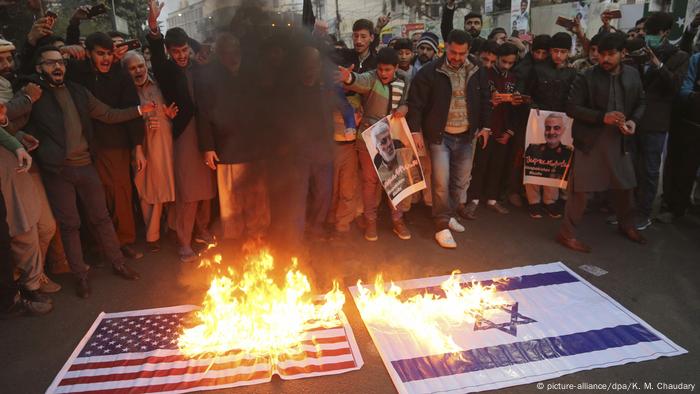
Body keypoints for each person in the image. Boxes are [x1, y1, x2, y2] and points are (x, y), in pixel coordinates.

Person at [23, 46, 151, 297]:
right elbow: (15, 120)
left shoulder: (78, 91)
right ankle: (80, 275)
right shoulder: (34, 94)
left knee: (101, 217)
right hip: (58, 170)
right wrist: (21, 135)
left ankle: (118, 263)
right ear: (39, 68)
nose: (57, 67)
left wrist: (138, 110)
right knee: (71, 225)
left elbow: (107, 113)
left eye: (60, 62)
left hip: (85, 165)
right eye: (50, 63)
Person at [558, 33, 647, 253]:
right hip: (591, 140)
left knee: (626, 185)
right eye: (601, 54)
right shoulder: (586, 76)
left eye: (610, 54)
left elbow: (641, 101)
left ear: (623, 53)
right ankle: (567, 234)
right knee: (580, 190)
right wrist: (602, 117)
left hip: (620, 140)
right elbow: (571, 107)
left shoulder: (633, 75)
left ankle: (626, 225)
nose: (604, 59)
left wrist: (634, 121)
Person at [63, 32, 145, 260]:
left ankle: (124, 241)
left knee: (120, 195)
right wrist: (72, 32)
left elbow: (133, 113)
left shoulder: (121, 77)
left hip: (116, 145)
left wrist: (138, 146)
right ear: (88, 54)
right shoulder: (79, 75)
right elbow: (53, 61)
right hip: (86, 147)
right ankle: (101, 245)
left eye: (109, 54)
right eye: (100, 54)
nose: (106, 59)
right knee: (95, 200)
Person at [407, 30, 491, 248]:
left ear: (468, 51)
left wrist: (485, 126)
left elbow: (484, 99)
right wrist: (415, 131)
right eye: (453, 52)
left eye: (461, 53)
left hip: (466, 135)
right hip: (439, 136)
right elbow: (415, 104)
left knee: (460, 181)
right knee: (441, 182)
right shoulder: (429, 72)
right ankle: (441, 225)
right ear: (446, 47)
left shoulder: (477, 69)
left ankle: (450, 213)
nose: (456, 57)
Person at [147, 0, 216, 262]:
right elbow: (155, 51)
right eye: (176, 51)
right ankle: (184, 242)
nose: (181, 55)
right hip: (184, 131)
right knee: (189, 193)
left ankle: (203, 230)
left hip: (205, 130)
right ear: (168, 51)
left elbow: (206, 53)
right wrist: (154, 28)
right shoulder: (165, 70)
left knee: (207, 189)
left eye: (185, 49)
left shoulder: (199, 66)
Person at [196, 33, 270, 242]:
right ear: (219, 54)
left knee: (258, 198)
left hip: (255, 149)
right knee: (231, 201)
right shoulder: (210, 76)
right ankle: (235, 240)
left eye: (236, 50)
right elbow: (203, 114)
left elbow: (264, 109)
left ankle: (258, 238)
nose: (233, 55)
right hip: (227, 149)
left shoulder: (251, 74)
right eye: (228, 51)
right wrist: (208, 147)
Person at [337, 47, 412, 241]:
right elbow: (358, 82)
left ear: (396, 68)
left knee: (395, 180)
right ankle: (371, 221)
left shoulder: (403, 81)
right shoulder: (371, 78)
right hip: (368, 138)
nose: (383, 73)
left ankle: (397, 220)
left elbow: (406, 102)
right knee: (369, 182)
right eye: (380, 69)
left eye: (388, 70)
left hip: (392, 137)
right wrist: (348, 78)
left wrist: (404, 108)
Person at [632, 12, 688, 230]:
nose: (649, 37)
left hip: (656, 122)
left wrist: (657, 64)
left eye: (654, 33)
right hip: (633, 118)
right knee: (631, 166)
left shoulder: (679, 56)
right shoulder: (639, 51)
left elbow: (675, 86)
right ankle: (627, 209)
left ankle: (644, 213)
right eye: (647, 32)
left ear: (665, 33)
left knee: (649, 169)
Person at [123, 51, 177, 252]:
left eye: (140, 66)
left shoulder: (158, 84)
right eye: (132, 68)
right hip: (141, 148)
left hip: (165, 145)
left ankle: (166, 230)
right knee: (145, 190)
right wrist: (143, 121)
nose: (138, 71)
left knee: (166, 188)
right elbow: (123, 118)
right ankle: (152, 234)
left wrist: (170, 115)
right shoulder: (125, 92)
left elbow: (171, 109)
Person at [464, 42, 522, 219]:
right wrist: (491, 102)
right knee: (481, 165)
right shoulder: (484, 74)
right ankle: (472, 199)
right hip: (486, 128)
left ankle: (492, 199)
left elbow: (517, 110)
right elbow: (478, 102)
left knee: (498, 165)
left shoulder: (513, 78)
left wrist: (510, 130)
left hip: (504, 129)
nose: (506, 66)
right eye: (503, 61)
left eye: (510, 63)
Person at [524, 32, 577, 219]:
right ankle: (533, 201)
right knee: (534, 159)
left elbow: (574, 98)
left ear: (569, 52)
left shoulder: (572, 72)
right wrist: (534, 108)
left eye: (563, 52)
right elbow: (526, 93)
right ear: (550, 51)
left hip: (561, 123)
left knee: (556, 161)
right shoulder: (538, 69)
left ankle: (550, 201)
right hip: (537, 121)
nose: (559, 56)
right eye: (555, 51)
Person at [660, 51, 700, 222]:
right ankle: (675, 207)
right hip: (690, 123)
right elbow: (684, 90)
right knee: (682, 168)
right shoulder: (697, 59)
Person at [371, 121, 422, 200]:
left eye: (389, 138)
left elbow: (416, 179)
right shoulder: (379, 168)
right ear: (378, 149)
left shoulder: (404, 152)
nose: (389, 144)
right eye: (383, 142)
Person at [523, 114, 574, 180]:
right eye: (548, 128)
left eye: (556, 128)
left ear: (563, 130)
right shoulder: (532, 149)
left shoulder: (569, 152)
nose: (551, 132)